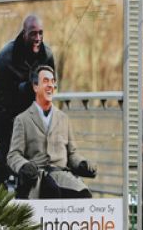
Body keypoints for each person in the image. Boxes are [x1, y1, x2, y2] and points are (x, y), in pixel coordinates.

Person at [0, 14, 56, 187]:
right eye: (33, 34)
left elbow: (50, 93)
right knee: (5, 169)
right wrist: (7, 120)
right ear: (24, 33)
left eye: (40, 33)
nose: (37, 38)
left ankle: (30, 209)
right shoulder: (6, 57)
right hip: (6, 120)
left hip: (33, 123)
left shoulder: (47, 55)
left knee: (33, 175)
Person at [7, 65, 97, 198]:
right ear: (35, 87)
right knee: (52, 192)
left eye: (52, 81)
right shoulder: (22, 119)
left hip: (62, 177)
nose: (50, 85)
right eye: (45, 81)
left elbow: (72, 154)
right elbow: (13, 155)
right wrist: (24, 165)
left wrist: (82, 163)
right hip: (37, 179)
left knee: (84, 195)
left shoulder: (64, 118)